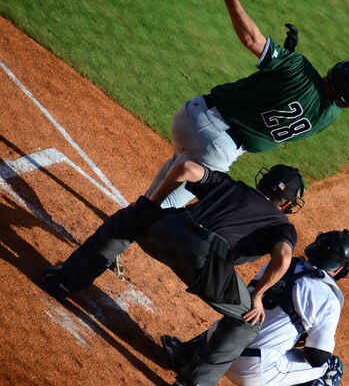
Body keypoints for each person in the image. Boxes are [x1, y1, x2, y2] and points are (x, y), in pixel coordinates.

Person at [42, 161, 307, 386]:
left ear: (262, 182)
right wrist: (259, 294)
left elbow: (186, 168)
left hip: (164, 232)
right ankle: (191, 382)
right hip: (204, 264)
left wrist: (150, 204)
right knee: (248, 321)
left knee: (128, 219)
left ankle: (64, 282)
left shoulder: (230, 185)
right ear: (286, 205)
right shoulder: (281, 224)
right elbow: (283, 257)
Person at [147, 0, 349, 208]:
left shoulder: (298, 67)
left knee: (160, 191)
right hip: (215, 148)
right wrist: (286, 61)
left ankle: (126, 223)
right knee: (159, 210)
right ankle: (117, 237)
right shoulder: (327, 117)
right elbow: (288, 101)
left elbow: (251, 39)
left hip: (191, 116)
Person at [161, 230, 349, 386]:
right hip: (252, 370)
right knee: (331, 367)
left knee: (245, 313)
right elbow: (316, 357)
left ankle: (187, 354)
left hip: (218, 347)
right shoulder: (329, 299)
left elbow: (243, 300)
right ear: (338, 269)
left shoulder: (284, 263)